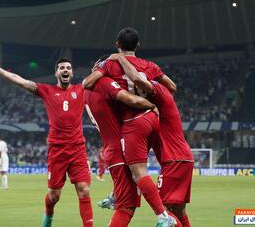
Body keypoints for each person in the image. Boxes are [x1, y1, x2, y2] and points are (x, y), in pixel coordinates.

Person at [0, 56, 93, 227]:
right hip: (57, 150)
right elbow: (21, 81)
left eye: (68, 67)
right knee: (54, 196)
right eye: (62, 68)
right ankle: (48, 215)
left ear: (72, 72)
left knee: (84, 190)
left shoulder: (81, 89)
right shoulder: (47, 90)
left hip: (78, 148)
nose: (65, 70)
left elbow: (100, 77)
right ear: (56, 73)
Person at [83, 28, 177, 227]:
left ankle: (162, 216)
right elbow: (171, 87)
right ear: (139, 45)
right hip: (152, 121)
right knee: (128, 203)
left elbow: (98, 88)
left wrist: (108, 63)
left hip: (130, 129)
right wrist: (154, 100)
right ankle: (117, 194)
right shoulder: (150, 65)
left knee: (135, 183)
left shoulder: (105, 75)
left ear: (117, 44)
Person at [115, 53, 194, 227]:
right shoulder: (166, 92)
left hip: (173, 160)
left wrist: (121, 59)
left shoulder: (157, 89)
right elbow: (172, 85)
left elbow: (138, 79)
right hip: (184, 158)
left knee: (164, 213)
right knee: (179, 211)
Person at [85, 62, 158, 226]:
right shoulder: (104, 83)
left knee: (127, 205)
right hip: (119, 149)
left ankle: (115, 194)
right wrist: (151, 105)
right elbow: (130, 99)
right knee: (126, 206)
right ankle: (161, 214)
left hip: (112, 147)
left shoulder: (87, 91)